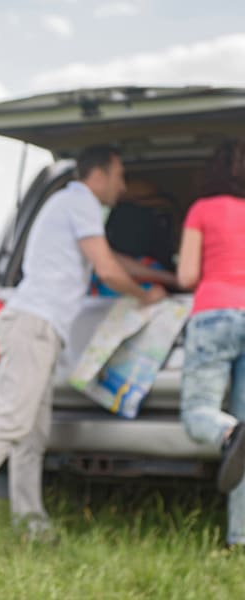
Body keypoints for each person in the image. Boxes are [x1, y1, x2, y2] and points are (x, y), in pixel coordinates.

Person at [0, 144, 166, 540]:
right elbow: (108, 270)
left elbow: (110, 258)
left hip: (37, 327)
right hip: (32, 326)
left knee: (32, 434)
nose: (122, 187)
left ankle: (31, 521)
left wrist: (169, 281)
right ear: (100, 174)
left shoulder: (69, 204)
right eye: (119, 176)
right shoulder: (81, 202)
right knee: (11, 422)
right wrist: (147, 297)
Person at [178, 138, 245, 547]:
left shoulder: (202, 210)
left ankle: (229, 431)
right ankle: (239, 538)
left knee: (198, 413)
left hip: (215, 313)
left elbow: (187, 276)